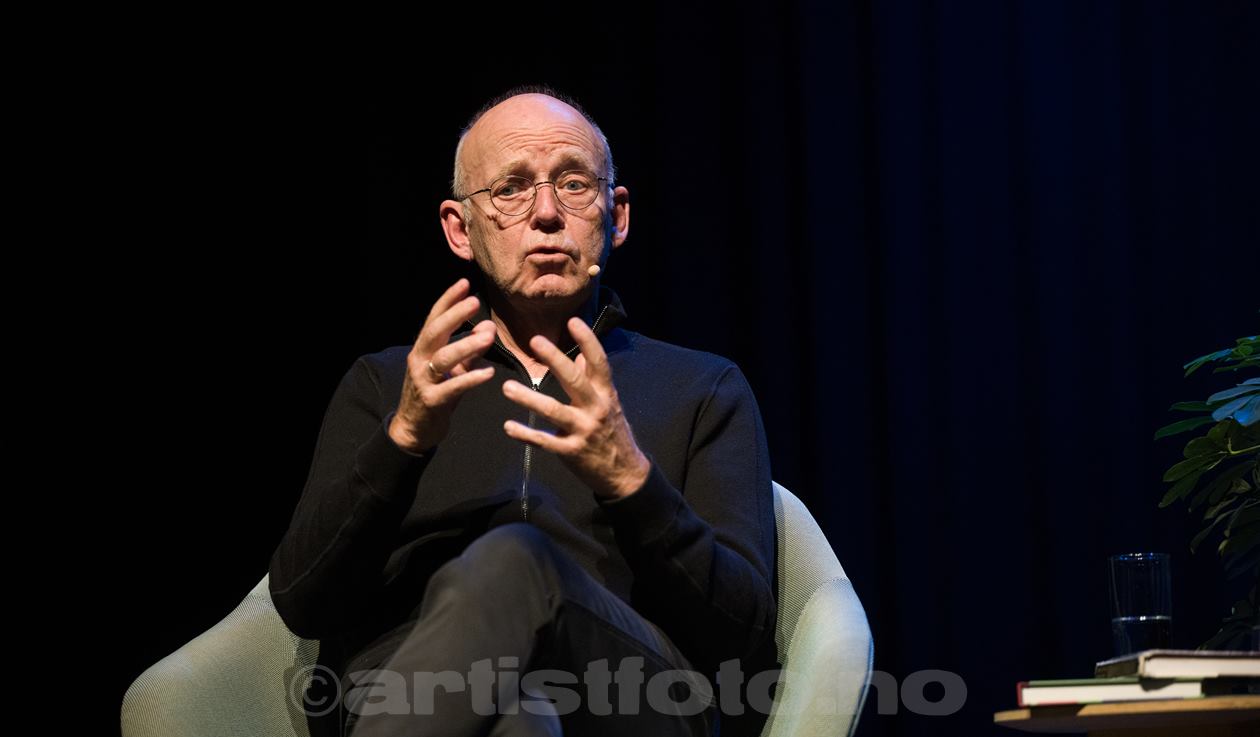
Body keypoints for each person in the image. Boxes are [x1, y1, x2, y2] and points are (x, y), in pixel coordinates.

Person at [268, 86, 779, 737]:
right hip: (418, 690)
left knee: (517, 561)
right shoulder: (390, 385)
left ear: (617, 216)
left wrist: (631, 479)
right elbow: (303, 602)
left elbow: (744, 635)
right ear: (460, 228)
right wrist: (404, 439)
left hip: (629, 693)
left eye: (573, 184)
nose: (545, 213)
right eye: (510, 189)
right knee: (520, 721)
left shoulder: (703, 388)